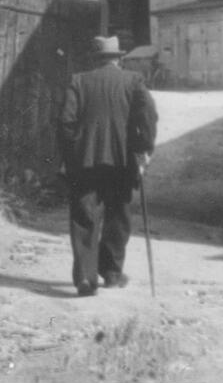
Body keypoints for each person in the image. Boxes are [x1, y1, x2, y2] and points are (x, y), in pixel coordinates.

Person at [58, 35, 158, 297]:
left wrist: (72, 156)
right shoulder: (133, 80)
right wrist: (143, 149)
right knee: (118, 216)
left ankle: (85, 278)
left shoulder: (78, 81)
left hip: (85, 161)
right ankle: (112, 274)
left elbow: (65, 122)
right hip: (122, 161)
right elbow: (148, 116)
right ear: (118, 59)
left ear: (95, 59)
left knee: (84, 216)